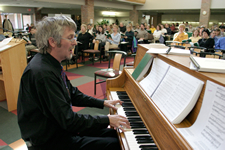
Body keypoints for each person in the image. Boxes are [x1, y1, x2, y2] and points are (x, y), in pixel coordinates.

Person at [17, 16, 130, 150]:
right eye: (70, 37)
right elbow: (68, 120)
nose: (75, 42)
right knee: (117, 144)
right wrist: (108, 119)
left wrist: (103, 103)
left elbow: (72, 93)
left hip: (60, 129)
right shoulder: (42, 73)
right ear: (52, 42)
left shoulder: (51, 63)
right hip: (49, 141)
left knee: (117, 134)